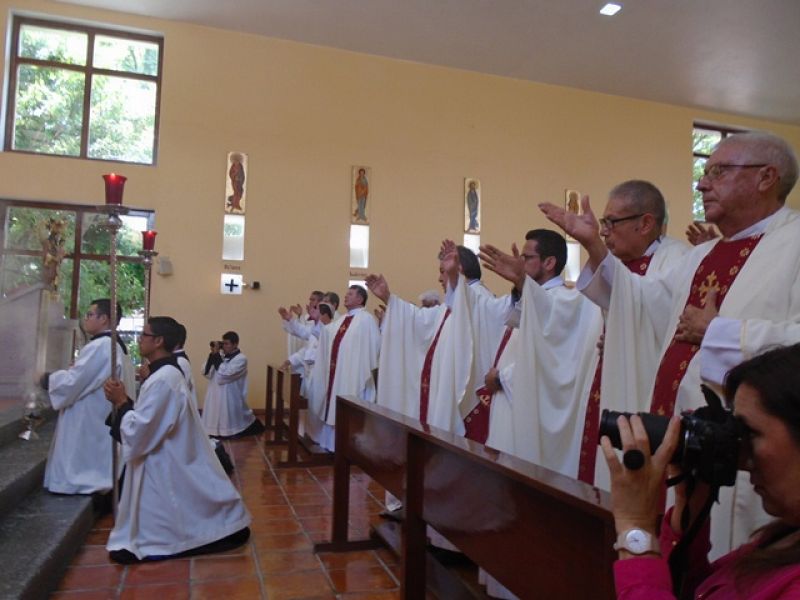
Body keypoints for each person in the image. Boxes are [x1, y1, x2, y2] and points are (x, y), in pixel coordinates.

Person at [540, 131, 800, 556]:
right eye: (706, 172)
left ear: (766, 177)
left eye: (718, 171)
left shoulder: (794, 244)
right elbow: (641, 302)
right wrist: (594, 246)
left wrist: (722, 332)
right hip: (679, 435)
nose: (702, 183)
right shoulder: (701, 255)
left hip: (743, 449)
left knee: (728, 556)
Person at [604, 344, 800, 599]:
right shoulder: (785, 537)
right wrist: (689, 512)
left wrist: (635, 528)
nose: (742, 458)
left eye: (750, 433)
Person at [103, 316, 250, 564]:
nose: (140, 340)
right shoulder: (162, 374)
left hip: (165, 459)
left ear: (159, 341)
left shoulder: (165, 379)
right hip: (164, 452)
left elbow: (141, 430)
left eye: (145, 335)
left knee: (169, 517)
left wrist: (121, 402)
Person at [576, 180, 689, 486]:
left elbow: (668, 320)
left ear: (645, 223)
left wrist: (625, 337)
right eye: (603, 224)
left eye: (611, 222)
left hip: (646, 386)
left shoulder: (678, 260)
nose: (604, 232)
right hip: (607, 377)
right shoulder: (621, 264)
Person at [42, 299, 135, 495]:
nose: (86, 319)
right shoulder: (111, 345)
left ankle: (81, 482)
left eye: (90, 314)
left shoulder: (102, 346)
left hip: (90, 416)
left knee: (82, 462)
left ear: (104, 319)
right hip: (98, 412)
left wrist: (47, 379)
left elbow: (74, 382)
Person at [307, 285, 380, 451]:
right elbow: (326, 334)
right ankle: (332, 444)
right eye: (346, 293)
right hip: (338, 374)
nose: (346, 296)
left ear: (360, 299)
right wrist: (320, 321)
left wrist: (358, 362)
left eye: (350, 294)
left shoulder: (366, 319)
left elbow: (374, 345)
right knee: (333, 405)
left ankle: (352, 448)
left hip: (353, 374)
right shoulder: (342, 320)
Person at [202, 331, 264, 438]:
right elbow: (206, 372)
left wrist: (217, 356)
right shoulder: (221, 356)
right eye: (223, 343)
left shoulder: (241, 358)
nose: (224, 346)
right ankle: (215, 431)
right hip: (215, 392)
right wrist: (212, 355)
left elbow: (225, 374)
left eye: (227, 344)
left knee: (229, 416)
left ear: (235, 344)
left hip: (230, 394)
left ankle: (230, 431)